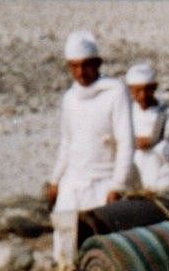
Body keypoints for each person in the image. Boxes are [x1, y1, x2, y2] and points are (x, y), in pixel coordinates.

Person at [45, 31, 135, 257]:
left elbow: (126, 143)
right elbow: (67, 141)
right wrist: (55, 179)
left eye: (85, 66)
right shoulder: (70, 99)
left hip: (104, 182)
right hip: (73, 182)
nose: (80, 73)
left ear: (97, 64)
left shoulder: (115, 93)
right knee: (65, 249)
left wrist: (118, 185)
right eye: (74, 66)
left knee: (104, 250)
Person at [125, 63, 169, 192]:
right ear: (130, 90)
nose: (143, 95)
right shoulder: (126, 114)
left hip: (164, 186)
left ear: (154, 88)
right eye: (137, 90)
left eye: (147, 89)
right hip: (134, 187)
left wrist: (155, 144)